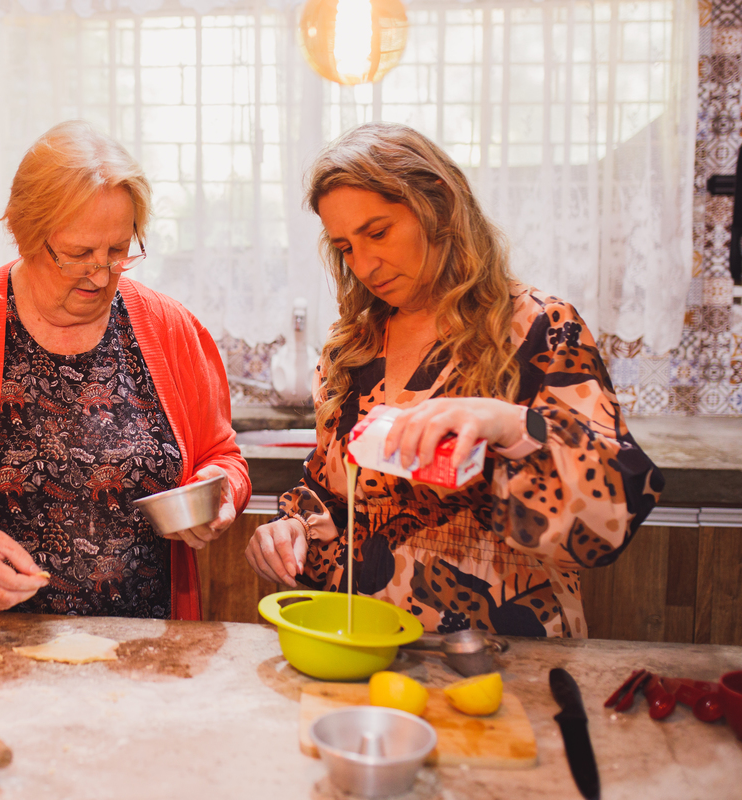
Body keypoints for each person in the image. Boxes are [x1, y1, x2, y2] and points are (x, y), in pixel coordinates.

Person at [245, 123, 662, 638]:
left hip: (499, 646)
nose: (366, 263)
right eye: (346, 246)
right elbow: (333, 489)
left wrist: (509, 424)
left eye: (378, 232)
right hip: (360, 639)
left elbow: (609, 518)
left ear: (437, 205)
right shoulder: (351, 347)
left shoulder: (538, 329)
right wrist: (294, 527)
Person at [0, 120, 250, 620]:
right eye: (78, 254)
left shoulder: (172, 329)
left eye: (117, 251)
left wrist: (220, 496)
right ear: (26, 236)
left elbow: (224, 458)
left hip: (150, 654)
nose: (101, 273)